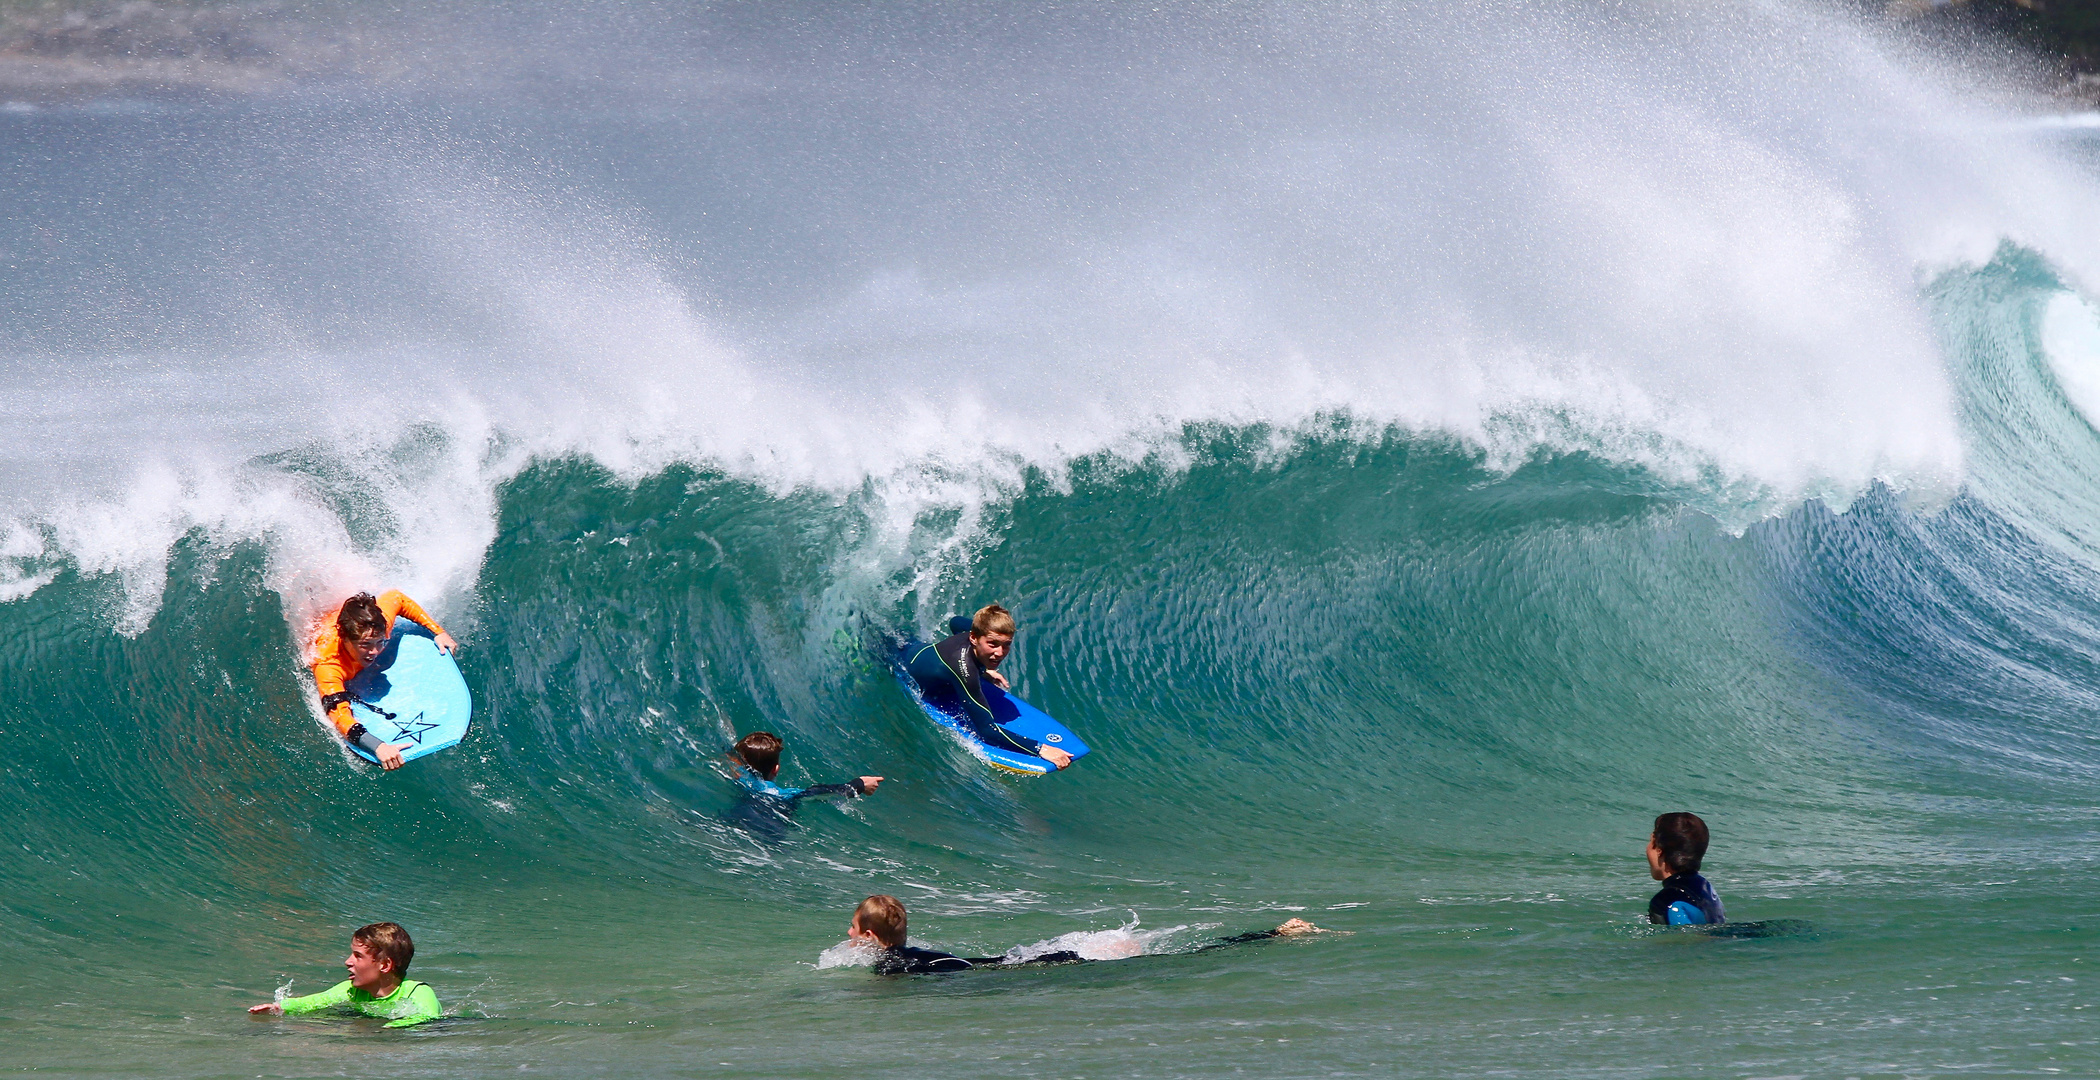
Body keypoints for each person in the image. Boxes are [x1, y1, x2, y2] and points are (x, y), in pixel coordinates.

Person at [843, 894, 1329, 975]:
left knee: (1178, 957)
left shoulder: (893, 968)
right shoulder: (909, 955)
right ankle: (1272, 933)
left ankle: (1274, 934)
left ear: (866, 935)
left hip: (1026, 969)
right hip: (1016, 962)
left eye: (852, 927)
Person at [902, 605, 1073, 769]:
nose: (1000, 652)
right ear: (973, 638)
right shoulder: (965, 672)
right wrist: (1041, 748)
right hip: (899, 661)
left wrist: (983, 669)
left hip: (913, 645)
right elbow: (987, 731)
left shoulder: (978, 631)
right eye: (993, 644)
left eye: (1006, 644)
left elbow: (955, 622)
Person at [309, 590, 458, 770]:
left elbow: (397, 598)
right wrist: (378, 746)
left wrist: (438, 632)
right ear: (345, 639)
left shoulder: (376, 628)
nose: (374, 652)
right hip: (324, 624)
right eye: (365, 646)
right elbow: (339, 716)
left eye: (380, 643)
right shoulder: (328, 664)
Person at [247, 922, 442, 1028]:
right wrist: (280, 1007)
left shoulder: (417, 993)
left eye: (358, 956)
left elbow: (428, 1018)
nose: (348, 961)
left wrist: (388, 1028)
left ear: (384, 965)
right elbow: (317, 1000)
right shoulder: (351, 990)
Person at [730, 731, 882, 809]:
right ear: (776, 769)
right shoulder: (780, 795)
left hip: (735, 824)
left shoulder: (739, 776)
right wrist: (860, 784)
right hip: (769, 841)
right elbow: (821, 791)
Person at [1646, 811, 1727, 926]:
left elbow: (1684, 941)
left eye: (1651, 841)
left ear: (1659, 850)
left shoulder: (1666, 899)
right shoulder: (1706, 888)